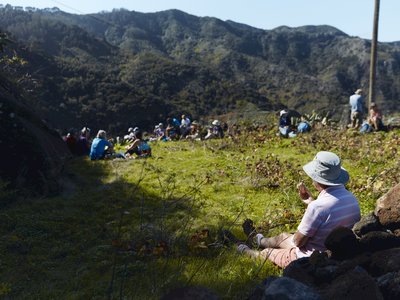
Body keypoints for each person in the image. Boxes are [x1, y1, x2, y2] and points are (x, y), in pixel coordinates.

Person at [224, 151, 360, 268]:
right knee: (282, 236)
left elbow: (298, 242)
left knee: (267, 253)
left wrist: (311, 206)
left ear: (316, 179)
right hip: (335, 251)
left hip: (310, 257)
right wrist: (310, 202)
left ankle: (242, 248)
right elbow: (329, 214)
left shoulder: (318, 207)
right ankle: (257, 239)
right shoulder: (351, 198)